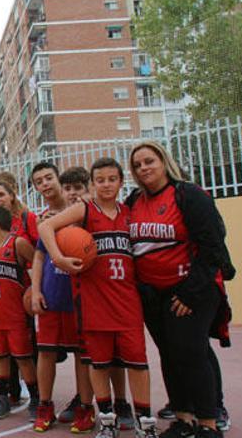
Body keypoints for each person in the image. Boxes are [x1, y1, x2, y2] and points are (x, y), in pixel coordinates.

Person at [40, 157, 158, 438]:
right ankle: (106, 421)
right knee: (98, 363)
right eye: (100, 180)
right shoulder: (84, 209)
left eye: (112, 179)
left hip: (128, 302)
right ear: (92, 184)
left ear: (120, 181)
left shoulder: (130, 213)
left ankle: (145, 421)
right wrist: (59, 258)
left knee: (138, 364)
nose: (106, 184)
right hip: (93, 302)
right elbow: (46, 228)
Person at [126, 142, 233, 438]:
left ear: (163, 161)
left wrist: (190, 293)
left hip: (189, 290)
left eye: (149, 161)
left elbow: (212, 247)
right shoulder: (134, 199)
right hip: (153, 294)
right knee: (169, 355)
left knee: (191, 352)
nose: (144, 168)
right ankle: (183, 419)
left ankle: (209, 422)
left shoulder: (189, 195)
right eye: (137, 165)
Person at [31, 164, 98, 433]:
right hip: (51, 296)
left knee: (83, 356)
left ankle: (85, 407)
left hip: (81, 299)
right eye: (68, 188)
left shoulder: (92, 219)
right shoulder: (51, 220)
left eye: (76, 188)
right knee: (45, 353)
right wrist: (35, 290)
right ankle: (45, 405)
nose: (71, 193)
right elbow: (38, 256)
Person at [0, 206, 38, 420]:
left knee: (23, 358)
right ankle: (3, 398)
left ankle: (35, 398)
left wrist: (34, 291)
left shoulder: (18, 243)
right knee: (0, 358)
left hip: (15, 314)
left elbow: (36, 267)